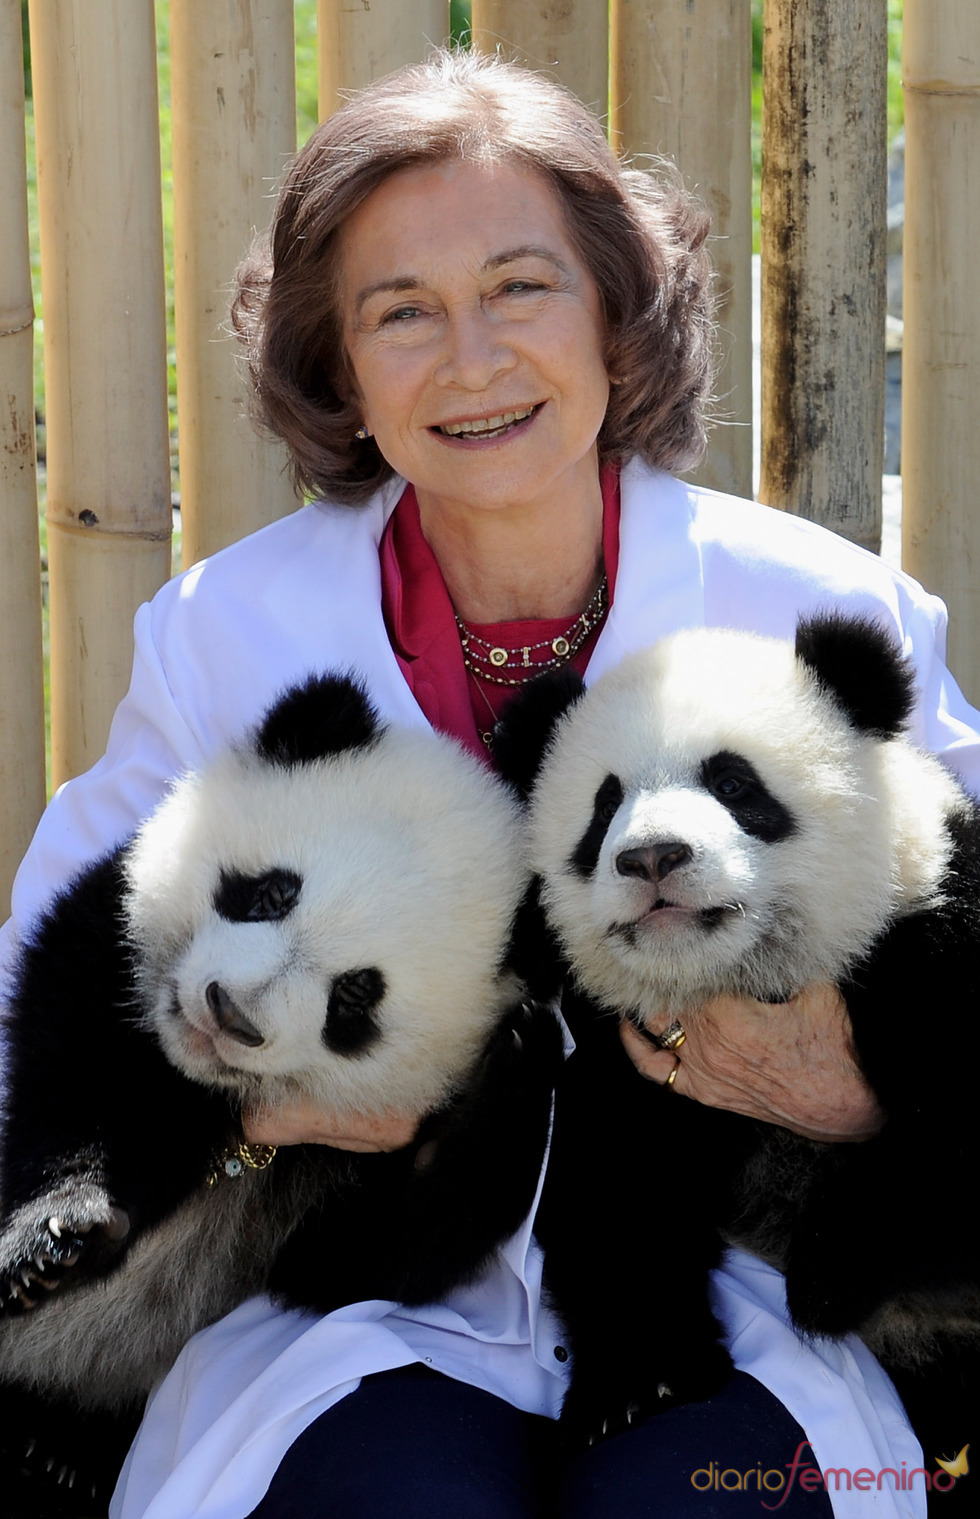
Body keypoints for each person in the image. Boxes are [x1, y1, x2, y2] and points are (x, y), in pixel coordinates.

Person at [4, 48, 976, 1519]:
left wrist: (864, 1105)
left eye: (522, 287)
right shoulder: (227, 638)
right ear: (338, 365)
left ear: (615, 314)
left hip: (740, 1284)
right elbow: (54, 985)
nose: (472, 358)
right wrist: (248, 1119)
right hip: (339, 1290)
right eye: (403, 313)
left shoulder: (817, 607)